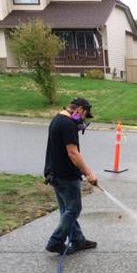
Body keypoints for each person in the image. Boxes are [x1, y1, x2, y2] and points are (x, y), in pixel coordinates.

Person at [44, 97, 99, 255]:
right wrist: (88, 173)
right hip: (65, 175)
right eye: (84, 116)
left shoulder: (57, 119)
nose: (83, 120)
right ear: (80, 110)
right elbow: (73, 153)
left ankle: (77, 240)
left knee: (66, 210)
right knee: (74, 209)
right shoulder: (68, 125)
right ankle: (55, 242)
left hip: (54, 172)